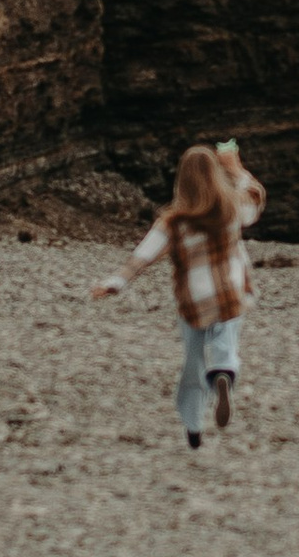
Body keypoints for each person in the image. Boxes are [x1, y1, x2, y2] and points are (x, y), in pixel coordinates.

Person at [92, 141, 265, 451]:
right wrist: (236, 168)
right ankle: (224, 372)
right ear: (214, 174)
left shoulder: (174, 221)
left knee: (193, 361)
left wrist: (115, 283)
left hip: (193, 301)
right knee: (226, 342)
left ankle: (193, 427)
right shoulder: (230, 209)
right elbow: (254, 198)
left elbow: (143, 256)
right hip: (230, 293)